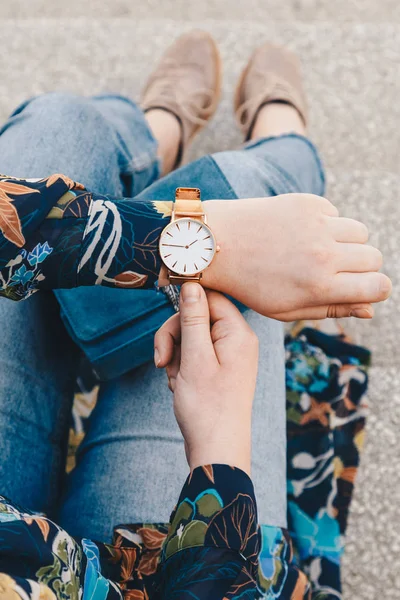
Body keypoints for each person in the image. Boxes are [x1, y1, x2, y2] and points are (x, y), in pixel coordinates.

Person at [0, 30, 386, 598]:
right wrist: (220, 451)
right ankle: (282, 137)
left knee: (60, 124)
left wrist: (196, 238)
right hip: (158, 580)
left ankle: (160, 132)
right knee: (243, 194)